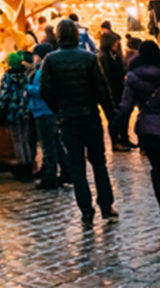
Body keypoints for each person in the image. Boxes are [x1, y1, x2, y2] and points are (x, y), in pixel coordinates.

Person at [40, 18, 118, 226]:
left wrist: (58, 109)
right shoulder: (89, 58)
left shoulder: (51, 60)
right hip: (90, 117)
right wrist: (112, 117)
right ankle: (106, 205)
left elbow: (45, 90)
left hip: (68, 120)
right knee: (99, 163)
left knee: (77, 167)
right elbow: (102, 90)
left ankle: (86, 212)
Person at [116, 39, 160, 210]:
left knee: (157, 170)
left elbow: (126, 106)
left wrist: (116, 126)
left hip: (149, 131)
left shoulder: (133, 77)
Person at [27, 42, 70, 190]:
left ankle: (50, 176)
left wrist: (26, 87)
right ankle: (66, 172)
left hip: (43, 110)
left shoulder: (43, 70)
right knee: (56, 143)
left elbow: (40, 90)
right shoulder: (51, 68)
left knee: (48, 145)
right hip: (49, 110)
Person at [0, 52, 35, 181]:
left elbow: (4, 95)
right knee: (25, 138)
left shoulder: (8, 77)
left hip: (13, 111)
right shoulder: (25, 76)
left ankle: (22, 165)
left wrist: (1, 110)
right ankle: (29, 163)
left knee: (17, 140)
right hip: (24, 110)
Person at [98, 29, 130, 151]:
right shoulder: (104, 58)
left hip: (119, 90)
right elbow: (107, 77)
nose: (117, 45)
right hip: (113, 91)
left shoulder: (114, 55)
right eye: (114, 43)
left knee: (121, 115)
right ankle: (116, 142)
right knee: (113, 117)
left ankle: (123, 139)